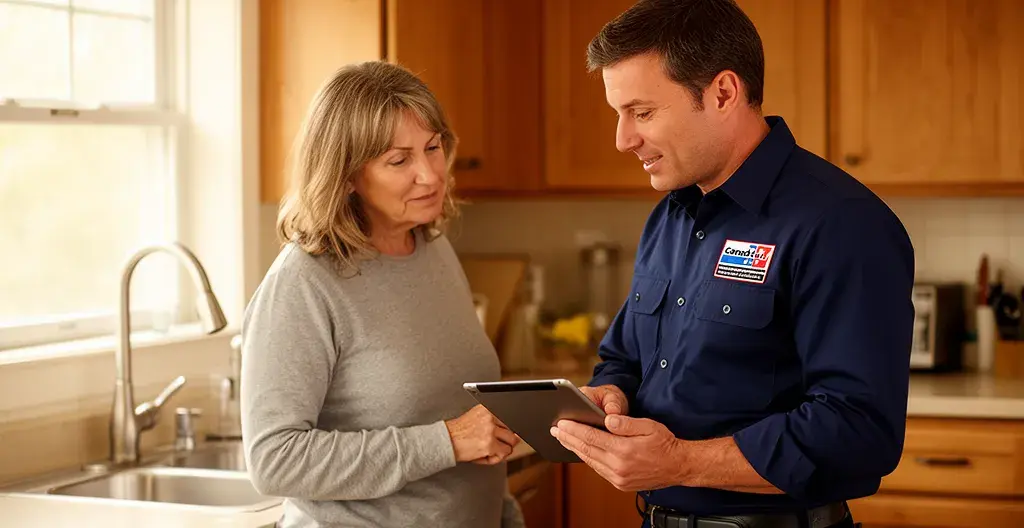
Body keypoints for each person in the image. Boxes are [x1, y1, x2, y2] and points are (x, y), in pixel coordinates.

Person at [549, 1, 915, 527]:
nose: (623, 140)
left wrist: (680, 462)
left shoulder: (841, 223)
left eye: (642, 113)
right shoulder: (670, 215)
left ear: (723, 93)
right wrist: (612, 395)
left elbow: (858, 432)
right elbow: (624, 359)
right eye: (619, 114)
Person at [240, 61, 525, 528]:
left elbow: (470, 424)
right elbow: (274, 459)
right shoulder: (304, 282)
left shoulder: (432, 247)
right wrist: (446, 441)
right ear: (347, 175)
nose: (430, 175)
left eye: (433, 148)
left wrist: (504, 515)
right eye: (399, 160)